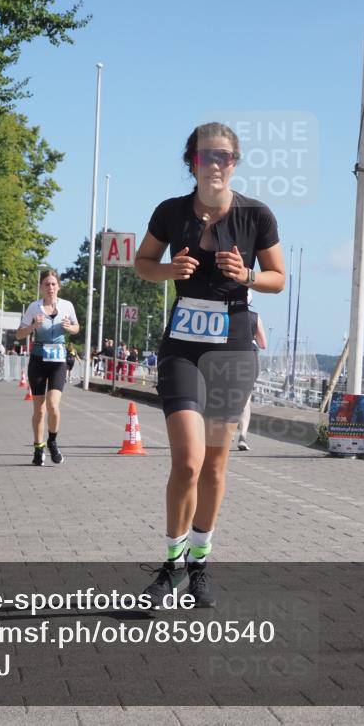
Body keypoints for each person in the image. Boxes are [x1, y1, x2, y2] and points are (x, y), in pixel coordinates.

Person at [134, 122, 285, 608]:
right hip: (182, 346)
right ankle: (171, 564)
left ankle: (200, 562)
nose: (216, 165)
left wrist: (249, 277)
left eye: (225, 157)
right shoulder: (170, 212)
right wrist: (167, 272)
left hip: (232, 348)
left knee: (216, 467)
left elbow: (279, 278)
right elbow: (142, 264)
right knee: (188, 460)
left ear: (235, 163)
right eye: (206, 157)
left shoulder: (256, 215)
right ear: (192, 163)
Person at [15, 271, 80, 466]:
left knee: (53, 405)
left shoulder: (67, 306)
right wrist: (33, 325)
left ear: (58, 286)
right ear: (41, 287)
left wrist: (70, 328)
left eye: (53, 284)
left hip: (58, 360)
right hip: (38, 360)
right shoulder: (34, 307)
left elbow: (77, 327)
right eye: (46, 284)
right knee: (39, 410)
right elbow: (19, 334)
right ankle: (38, 447)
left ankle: (52, 441)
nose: (50, 287)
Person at [235, 309, 267, 451]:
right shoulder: (255, 317)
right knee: (245, 400)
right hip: (249, 357)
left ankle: (225, 431)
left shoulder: (226, 312)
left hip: (225, 356)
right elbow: (263, 344)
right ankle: (242, 437)